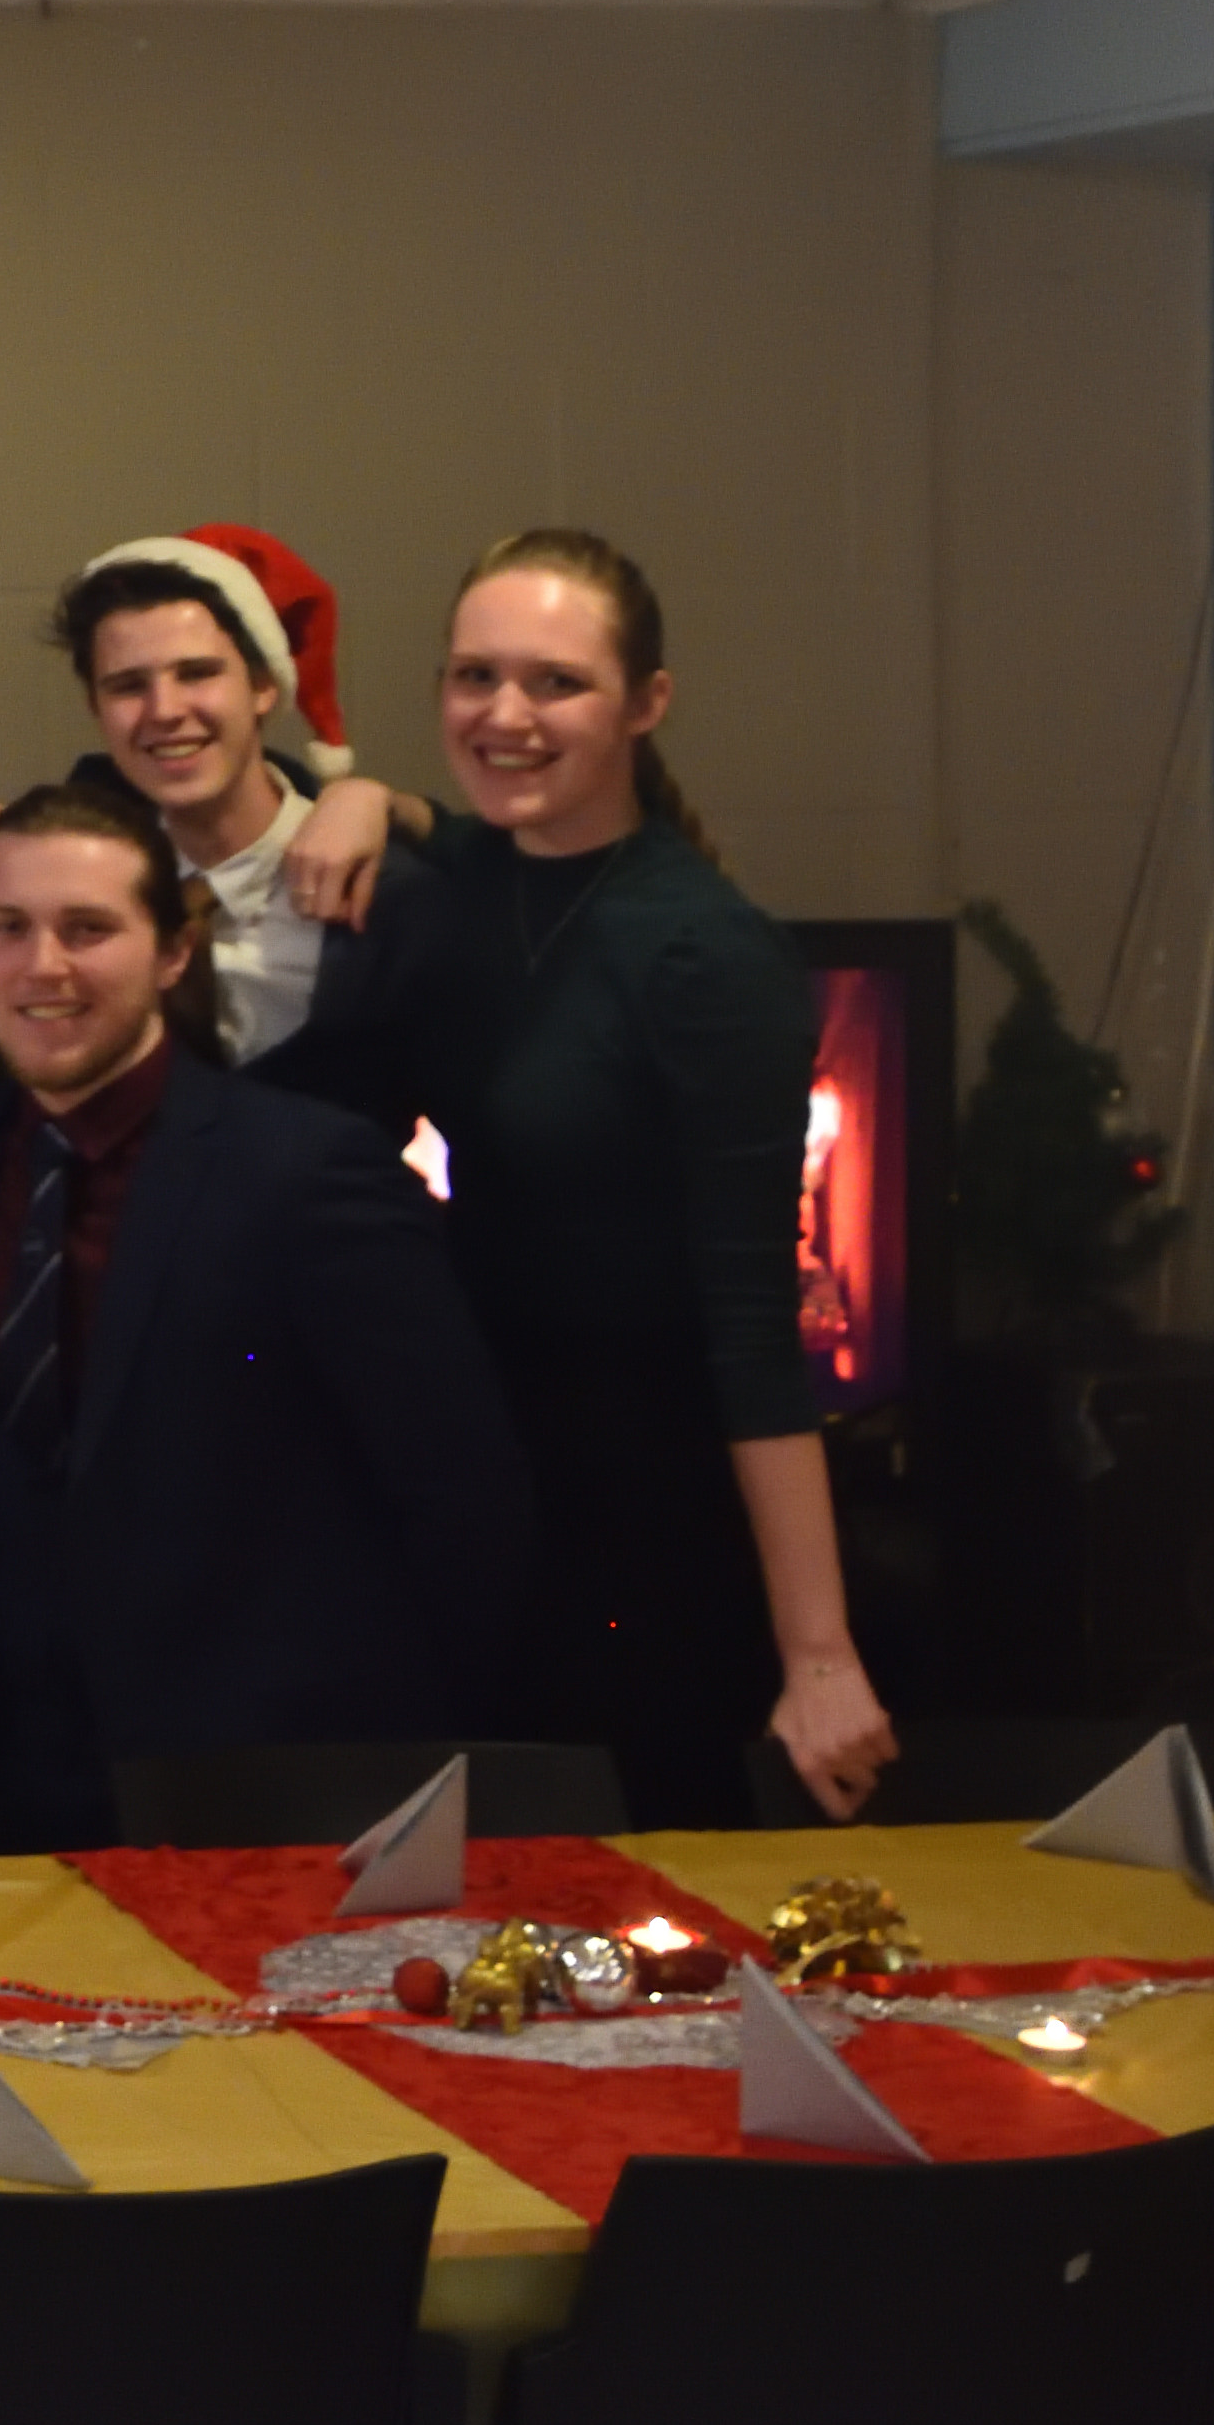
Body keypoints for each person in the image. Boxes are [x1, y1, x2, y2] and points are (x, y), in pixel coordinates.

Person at [259, 531, 896, 1824]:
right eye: (475, 677)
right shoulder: (465, 879)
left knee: (629, 1874)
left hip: (648, 1507)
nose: (506, 716)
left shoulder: (706, 954)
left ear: (646, 703)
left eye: (557, 683)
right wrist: (367, 794)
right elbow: (451, 834)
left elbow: (750, 1322)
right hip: (489, 1464)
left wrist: (819, 1650)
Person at [0, 780, 532, 1853]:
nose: (43, 965)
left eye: (88, 928)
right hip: (15, 1788)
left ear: (172, 952)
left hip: (275, 1793)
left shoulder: (308, 1167)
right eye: (7, 927)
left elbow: (460, 1497)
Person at [50, 533, 400, 1062]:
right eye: (128, 686)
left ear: (263, 685)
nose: (164, 710)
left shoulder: (381, 889)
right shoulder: (80, 887)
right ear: (96, 708)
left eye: (197, 674)